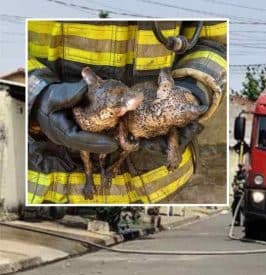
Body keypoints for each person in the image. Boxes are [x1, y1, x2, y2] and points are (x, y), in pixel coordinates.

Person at [27, 20, 227, 204]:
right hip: (42, 183)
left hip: (159, 183)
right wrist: (35, 92)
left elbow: (216, 41)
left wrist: (192, 91)